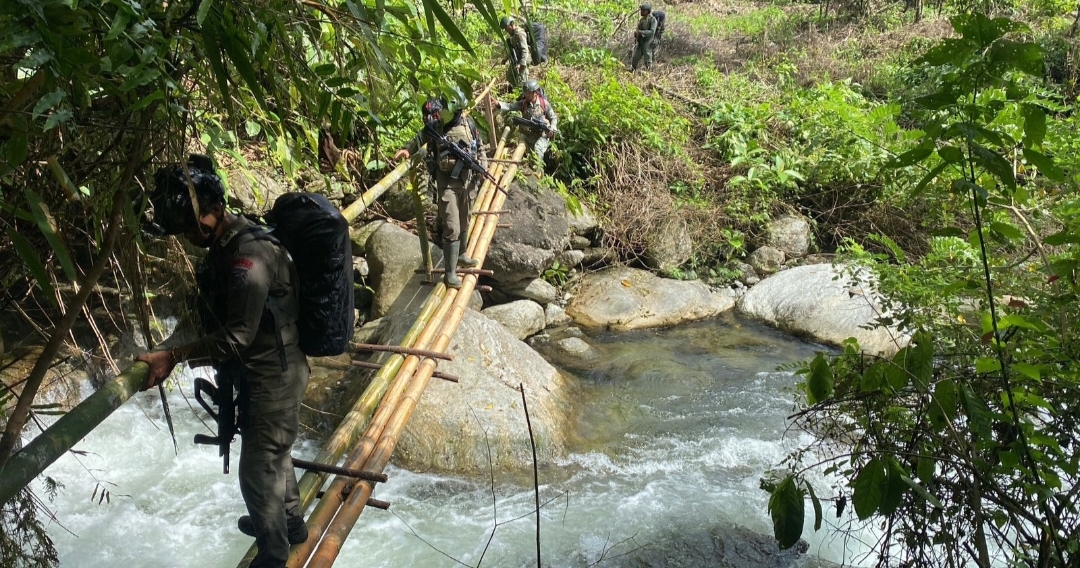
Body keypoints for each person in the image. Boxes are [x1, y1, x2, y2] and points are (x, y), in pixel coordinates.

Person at [137, 154, 309, 568]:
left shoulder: (248, 258)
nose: (191, 238)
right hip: (273, 371)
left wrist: (174, 356)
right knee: (274, 451)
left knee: (256, 469)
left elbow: (237, 336)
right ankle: (291, 522)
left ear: (215, 212)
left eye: (194, 229)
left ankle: (273, 554)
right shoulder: (232, 240)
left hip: (274, 376)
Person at [393, 94, 484, 289]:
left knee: (465, 218)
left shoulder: (469, 125)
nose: (441, 114)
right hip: (447, 183)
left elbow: (480, 147)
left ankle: (461, 255)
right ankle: (449, 274)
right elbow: (420, 137)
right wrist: (407, 149)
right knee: (451, 224)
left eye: (445, 111)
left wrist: (482, 168)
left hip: (467, 180)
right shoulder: (436, 127)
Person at [490, 79, 558, 172]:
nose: (526, 95)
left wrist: (552, 128)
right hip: (527, 135)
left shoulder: (544, 104)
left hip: (541, 135)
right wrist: (498, 104)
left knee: (538, 152)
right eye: (525, 93)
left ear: (535, 93)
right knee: (530, 158)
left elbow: (553, 117)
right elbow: (510, 106)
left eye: (528, 93)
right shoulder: (523, 103)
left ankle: (540, 176)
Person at [501, 16, 531, 89]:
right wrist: (505, 59)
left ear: (511, 24)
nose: (506, 30)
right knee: (510, 76)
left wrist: (521, 64)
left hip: (523, 61)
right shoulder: (512, 35)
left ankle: (522, 95)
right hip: (516, 59)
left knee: (522, 82)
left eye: (507, 28)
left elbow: (525, 50)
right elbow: (512, 50)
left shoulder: (520, 34)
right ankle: (516, 90)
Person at [631, 3, 658, 71]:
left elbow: (652, 32)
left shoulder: (652, 20)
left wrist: (641, 32)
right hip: (641, 41)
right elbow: (638, 29)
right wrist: (636, 33)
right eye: (641, 10)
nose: (641, 12)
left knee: (647, 57)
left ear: (647, 11)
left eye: (643, 10)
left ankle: (649, 71)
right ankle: (632, 69)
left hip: (648, 41)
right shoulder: (642, 20)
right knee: (635, 57)